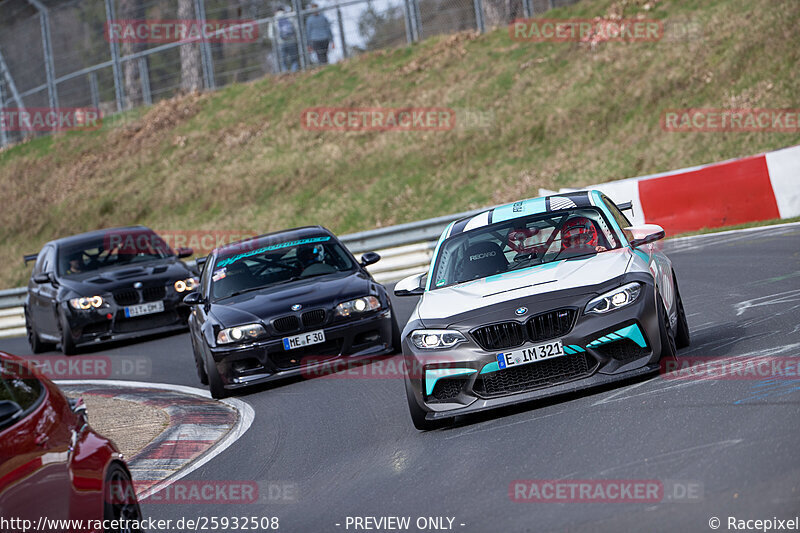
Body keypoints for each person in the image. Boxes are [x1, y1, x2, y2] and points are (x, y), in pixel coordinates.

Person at [269, 7, 300, 72]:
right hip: (292, 41)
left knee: (283, 60)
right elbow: (297, 27)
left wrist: (276, 40)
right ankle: (295, 72)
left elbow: (271, 34)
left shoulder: (274, 19)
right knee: (294, 58)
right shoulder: (289, 16)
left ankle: (285, 72)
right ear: (283, 10)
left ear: (276, 11)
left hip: (281, 42)